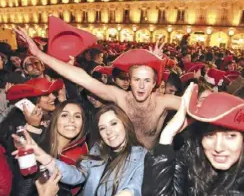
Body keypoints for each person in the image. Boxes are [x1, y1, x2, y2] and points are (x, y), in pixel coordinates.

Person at [15, 28, 182, 149]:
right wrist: (38, 54)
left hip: (150, 162)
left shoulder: (162, 102)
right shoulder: (120, 97)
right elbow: (81, 77)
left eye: (147, 80)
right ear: (129, 81)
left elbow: (198, 109)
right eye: (137, 79)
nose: (141, 85)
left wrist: (174, 131)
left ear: (154, 84)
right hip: (122, 157)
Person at [143, 83, 244, 195]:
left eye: (230, 136)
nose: (218, 147)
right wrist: (167, 135)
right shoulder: (194, 162)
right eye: (210, 135)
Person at [12, 103, 146, 196]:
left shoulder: (142, 155)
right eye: (102, 128)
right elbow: (77, 175)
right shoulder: (97, 150)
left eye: (114, 123)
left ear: (125, 124)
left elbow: (135, 187)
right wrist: (41, 155)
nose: (109, 132)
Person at [40, 101, 88, 195]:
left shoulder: (83, 152)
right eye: (65, 115)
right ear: (55, 119)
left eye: (77, 116)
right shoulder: (39, 147)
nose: (72, 120)